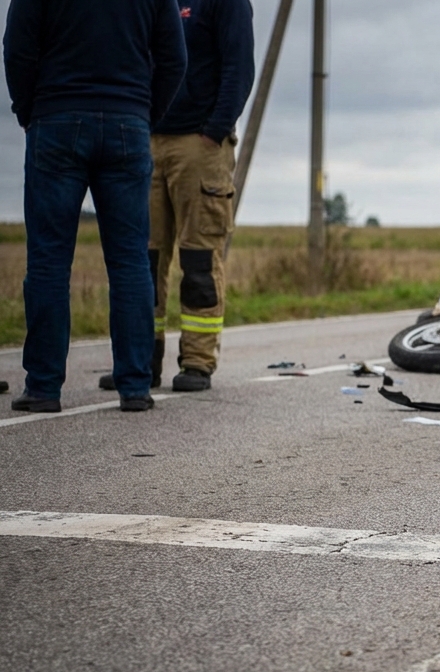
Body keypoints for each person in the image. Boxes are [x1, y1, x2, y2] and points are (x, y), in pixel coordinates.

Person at [4, 0, 187, 413]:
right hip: (128, 119)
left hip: (56, 117)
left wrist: (27, 110)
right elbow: (175, 59)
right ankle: (135, 385)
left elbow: (16, 48)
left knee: (49, 261)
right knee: (130, 262)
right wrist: (144, 113)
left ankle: (44, 387)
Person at [98, 0, 255, 394]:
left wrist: (215, 128)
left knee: (199, 259)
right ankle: (140, 362)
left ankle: (197, 364)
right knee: (142, 260)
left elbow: (239, 68)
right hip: (147, 139)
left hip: (200, 145)